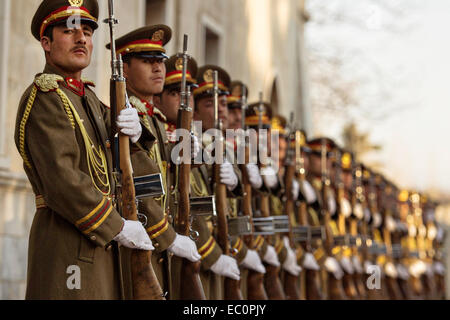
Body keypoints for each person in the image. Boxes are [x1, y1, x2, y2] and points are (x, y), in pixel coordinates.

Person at [15, 0, 151, 299]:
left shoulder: (86, 97)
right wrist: (117, 226)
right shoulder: (46, 97)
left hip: (100, 241)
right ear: (46, 43)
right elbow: (63, 180)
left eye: (88, 33)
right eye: (70, 31)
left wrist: (138, 130)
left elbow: (124, 155)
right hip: (70, 244)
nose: (82, 39)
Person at [107, 25, 201, 299]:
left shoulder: (156, 121)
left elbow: (167, 183)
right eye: (148, 61)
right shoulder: (124, 115)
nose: (158, 68)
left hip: (160, 240)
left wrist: (188, 160)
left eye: (160, 61)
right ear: (124, 68)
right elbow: (136, 184)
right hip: (142, 239)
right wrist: (168, 236)